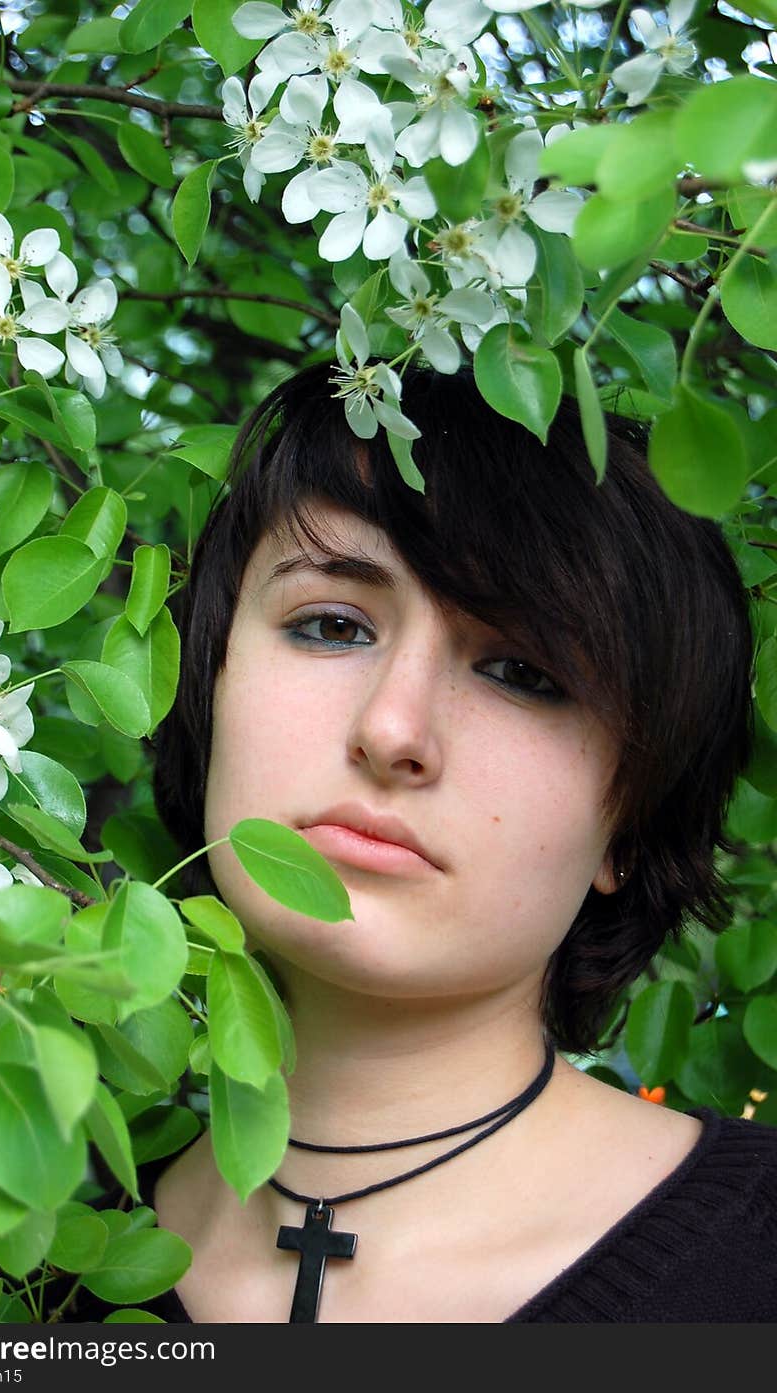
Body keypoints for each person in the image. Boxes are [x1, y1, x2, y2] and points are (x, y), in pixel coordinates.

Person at [142, 360, 777, 1324]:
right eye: (329, 624)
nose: (393, 729)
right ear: (211, 686)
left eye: (523, 672)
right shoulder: (23, 1276)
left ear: (634, 823)